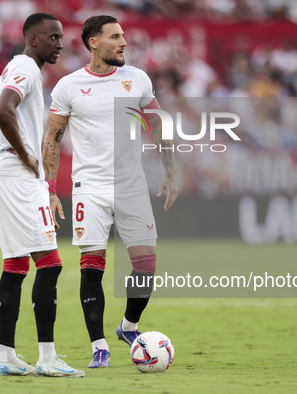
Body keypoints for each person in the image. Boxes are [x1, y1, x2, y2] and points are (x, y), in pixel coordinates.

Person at [42, 15, 177, 368]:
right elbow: (52, 138)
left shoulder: (137, 79)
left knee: (146, 267)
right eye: (115, 37)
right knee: (92, 269)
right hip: (90, 189)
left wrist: (170, 169)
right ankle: (98, 345)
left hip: (132, 186)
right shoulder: (69, 87)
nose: (123, 42)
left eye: (123, 36)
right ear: (93, 43)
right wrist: (51, 188)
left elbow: (158, 122)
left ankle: (128, 326)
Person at [0, 13, 84, 378]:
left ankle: (6, 356)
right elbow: (1, 110)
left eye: (61, 37)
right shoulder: (25, 67)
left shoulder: (25, 68)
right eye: (53, 37)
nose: (60, 43)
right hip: (16, 174)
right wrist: (28, 157)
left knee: (16, 266)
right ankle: (47, 357)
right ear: (32, 38)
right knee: (51, 263)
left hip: (7, 173)